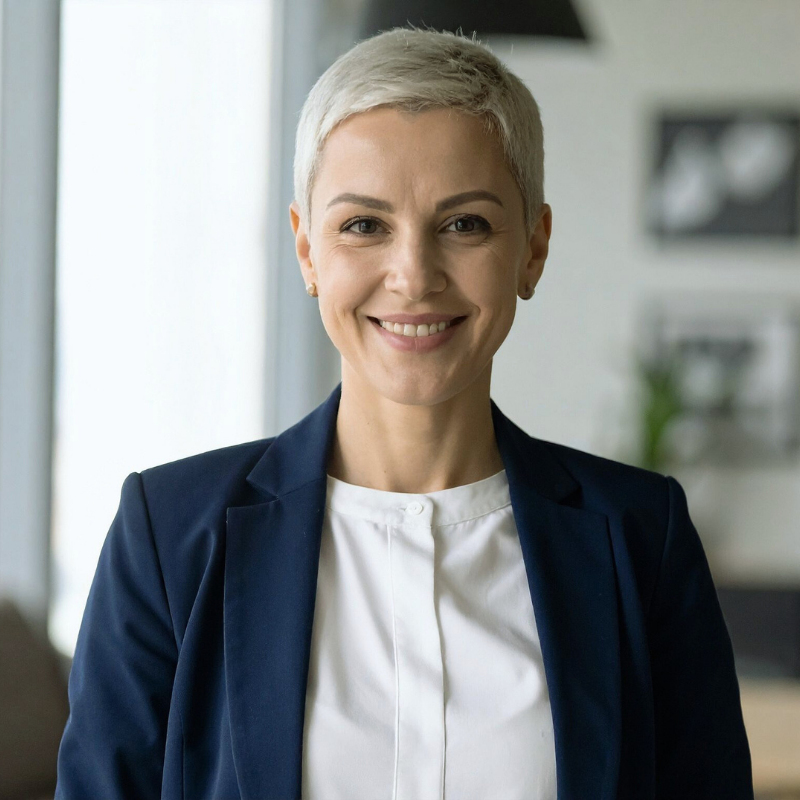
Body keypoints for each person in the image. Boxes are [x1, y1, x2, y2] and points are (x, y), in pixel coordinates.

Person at [55, 25, 754, 800]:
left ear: (533, 247)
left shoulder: (641, 539)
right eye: (363, 225)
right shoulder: (167, 536)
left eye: (465, 224)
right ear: (307, 250)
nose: (413, 276)